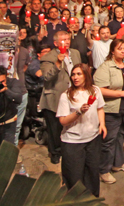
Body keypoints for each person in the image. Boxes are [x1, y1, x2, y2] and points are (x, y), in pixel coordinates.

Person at [94, 39, 124, 184]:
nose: (123, 51)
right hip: (112, 108)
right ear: (112, 51)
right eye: (119, 49)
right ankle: (103, 170)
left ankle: (118, 163)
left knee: (121, 136)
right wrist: (121, 93)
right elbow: (99, 89)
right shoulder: (106, 67)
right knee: (109, 140)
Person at [57, 64, 106, 197]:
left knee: (92, 173)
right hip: (73, 142)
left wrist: (102, 124)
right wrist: (78, 112)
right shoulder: (66, 95)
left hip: (92, 139)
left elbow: (100, 108)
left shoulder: (95, 90)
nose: (75, 77)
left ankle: (92, 200)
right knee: (74, 177)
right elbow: (63, 120)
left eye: (79, 74)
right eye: (73, 74)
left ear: (86, 75)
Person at [39, 31, 82, 165]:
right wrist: (58, 63)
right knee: (55, 127)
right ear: (56, 43)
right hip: (55, 96)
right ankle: (55, 152)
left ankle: (68, 150)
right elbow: (47, 77)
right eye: (63, 40)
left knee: (70, 124)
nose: (66, 42)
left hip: (72, 94)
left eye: (68, 39)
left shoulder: (75, 53)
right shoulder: (48, 57)